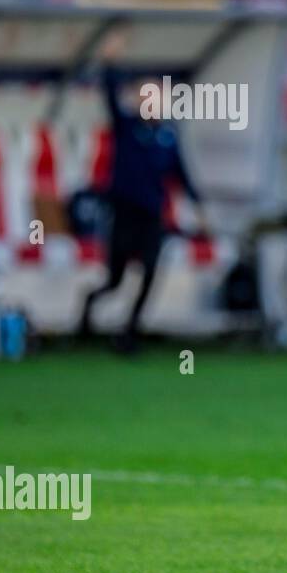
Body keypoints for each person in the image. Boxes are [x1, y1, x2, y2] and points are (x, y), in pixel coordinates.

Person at [78, 32, 209, 352]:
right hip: (123, 210)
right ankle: (87, 312)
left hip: (152, 213)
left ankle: (130, 331)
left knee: (150, 270)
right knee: (115, 279)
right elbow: (109, 94)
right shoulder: (126, 127)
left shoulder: (167, 135)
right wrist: (110, 61)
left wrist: (199, 208)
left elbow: (182, 175)